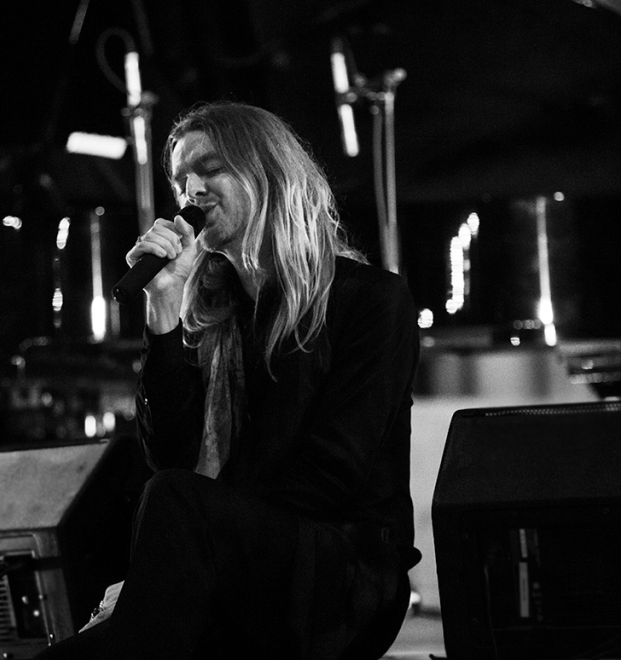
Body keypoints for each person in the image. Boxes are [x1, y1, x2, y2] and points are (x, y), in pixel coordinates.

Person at [36, 101, 421, 660]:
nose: (192, 190)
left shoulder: (370, 301)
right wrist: (164, 308)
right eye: (181, 180)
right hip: (236, 564)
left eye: (211, 169)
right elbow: (170, 457)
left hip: (336, 576)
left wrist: (196, 558)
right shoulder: (215, 315)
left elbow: (329, 478)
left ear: (267, 172)